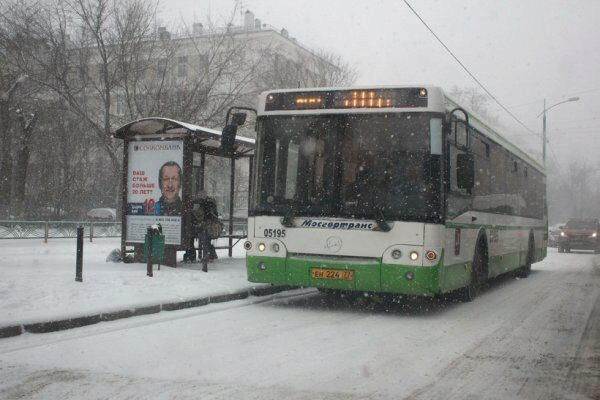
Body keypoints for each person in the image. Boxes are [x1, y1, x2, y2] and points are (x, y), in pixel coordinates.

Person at [190, 190, 223, 271]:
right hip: (209, 226)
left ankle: (205, 258)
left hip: (203, 226)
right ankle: (208, 257)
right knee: (206, 242)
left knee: (204, 242)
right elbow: (215, 213)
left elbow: (195, 213)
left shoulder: (198, 202)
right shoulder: (211, 202)